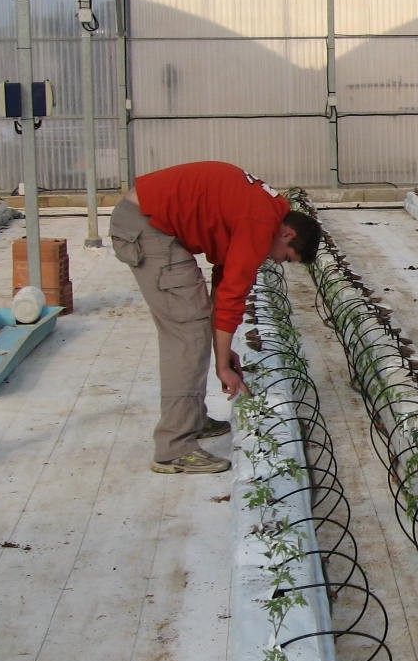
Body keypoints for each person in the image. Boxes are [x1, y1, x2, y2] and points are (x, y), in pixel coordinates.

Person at [109, 161, 321, 474]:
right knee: (188, 330)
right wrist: (223, 365)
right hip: (146, 226)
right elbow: (233, 296)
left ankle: (190, 418)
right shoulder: (262, 221)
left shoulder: (267, 210)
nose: (279, 261)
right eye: (287, 256)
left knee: (196, 321)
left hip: (149, 221)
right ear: (287, 233)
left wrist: (224, 350)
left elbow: (224, 284)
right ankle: (174, 447)